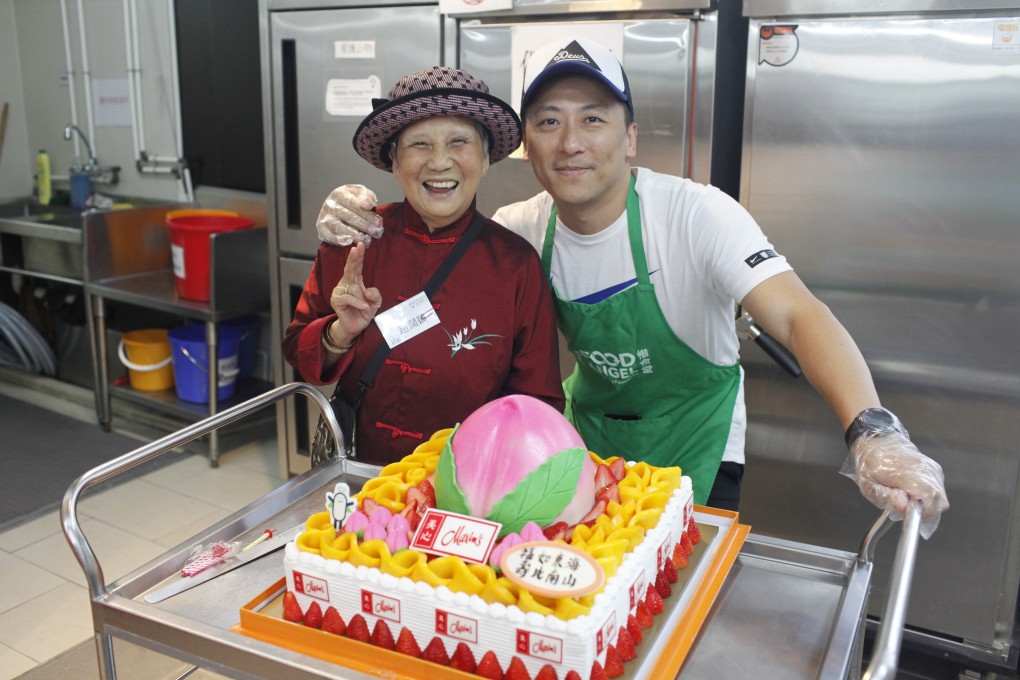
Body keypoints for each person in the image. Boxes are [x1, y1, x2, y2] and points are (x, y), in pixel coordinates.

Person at [312, 39, 949, 535]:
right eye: (548, 122)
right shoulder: (521, 231)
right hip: (587, 445)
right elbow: (428, 267)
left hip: (697, 440)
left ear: (630, 136)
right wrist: (353, 219)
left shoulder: (697, 215)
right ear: (525, 148)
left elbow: (795, 316)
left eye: (593, 119)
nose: (570, 143)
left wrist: (873, 429)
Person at [284, 65, 564, 466]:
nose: (439, 162)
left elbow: (539, 404)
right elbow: (299, 352)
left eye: (459, 142)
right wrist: (339, 332)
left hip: (464, 486)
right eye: (419, 144)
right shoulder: (356, 238)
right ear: (394, 163)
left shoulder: (515, 265)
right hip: (359, 473)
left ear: (485, 159)